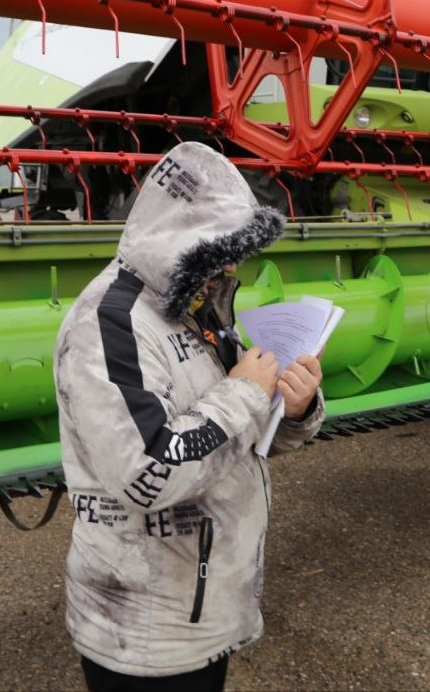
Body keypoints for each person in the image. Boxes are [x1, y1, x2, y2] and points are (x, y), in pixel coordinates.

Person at [54, 141, 325, 691]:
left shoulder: (195, 305)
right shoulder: (106, 326)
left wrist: (291, 408)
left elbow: (237, 435)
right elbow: (147, 472)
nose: (231, 264)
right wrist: (246, 395)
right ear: (180, 236)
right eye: (221, 248)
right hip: (145, 630)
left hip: (200, 606)